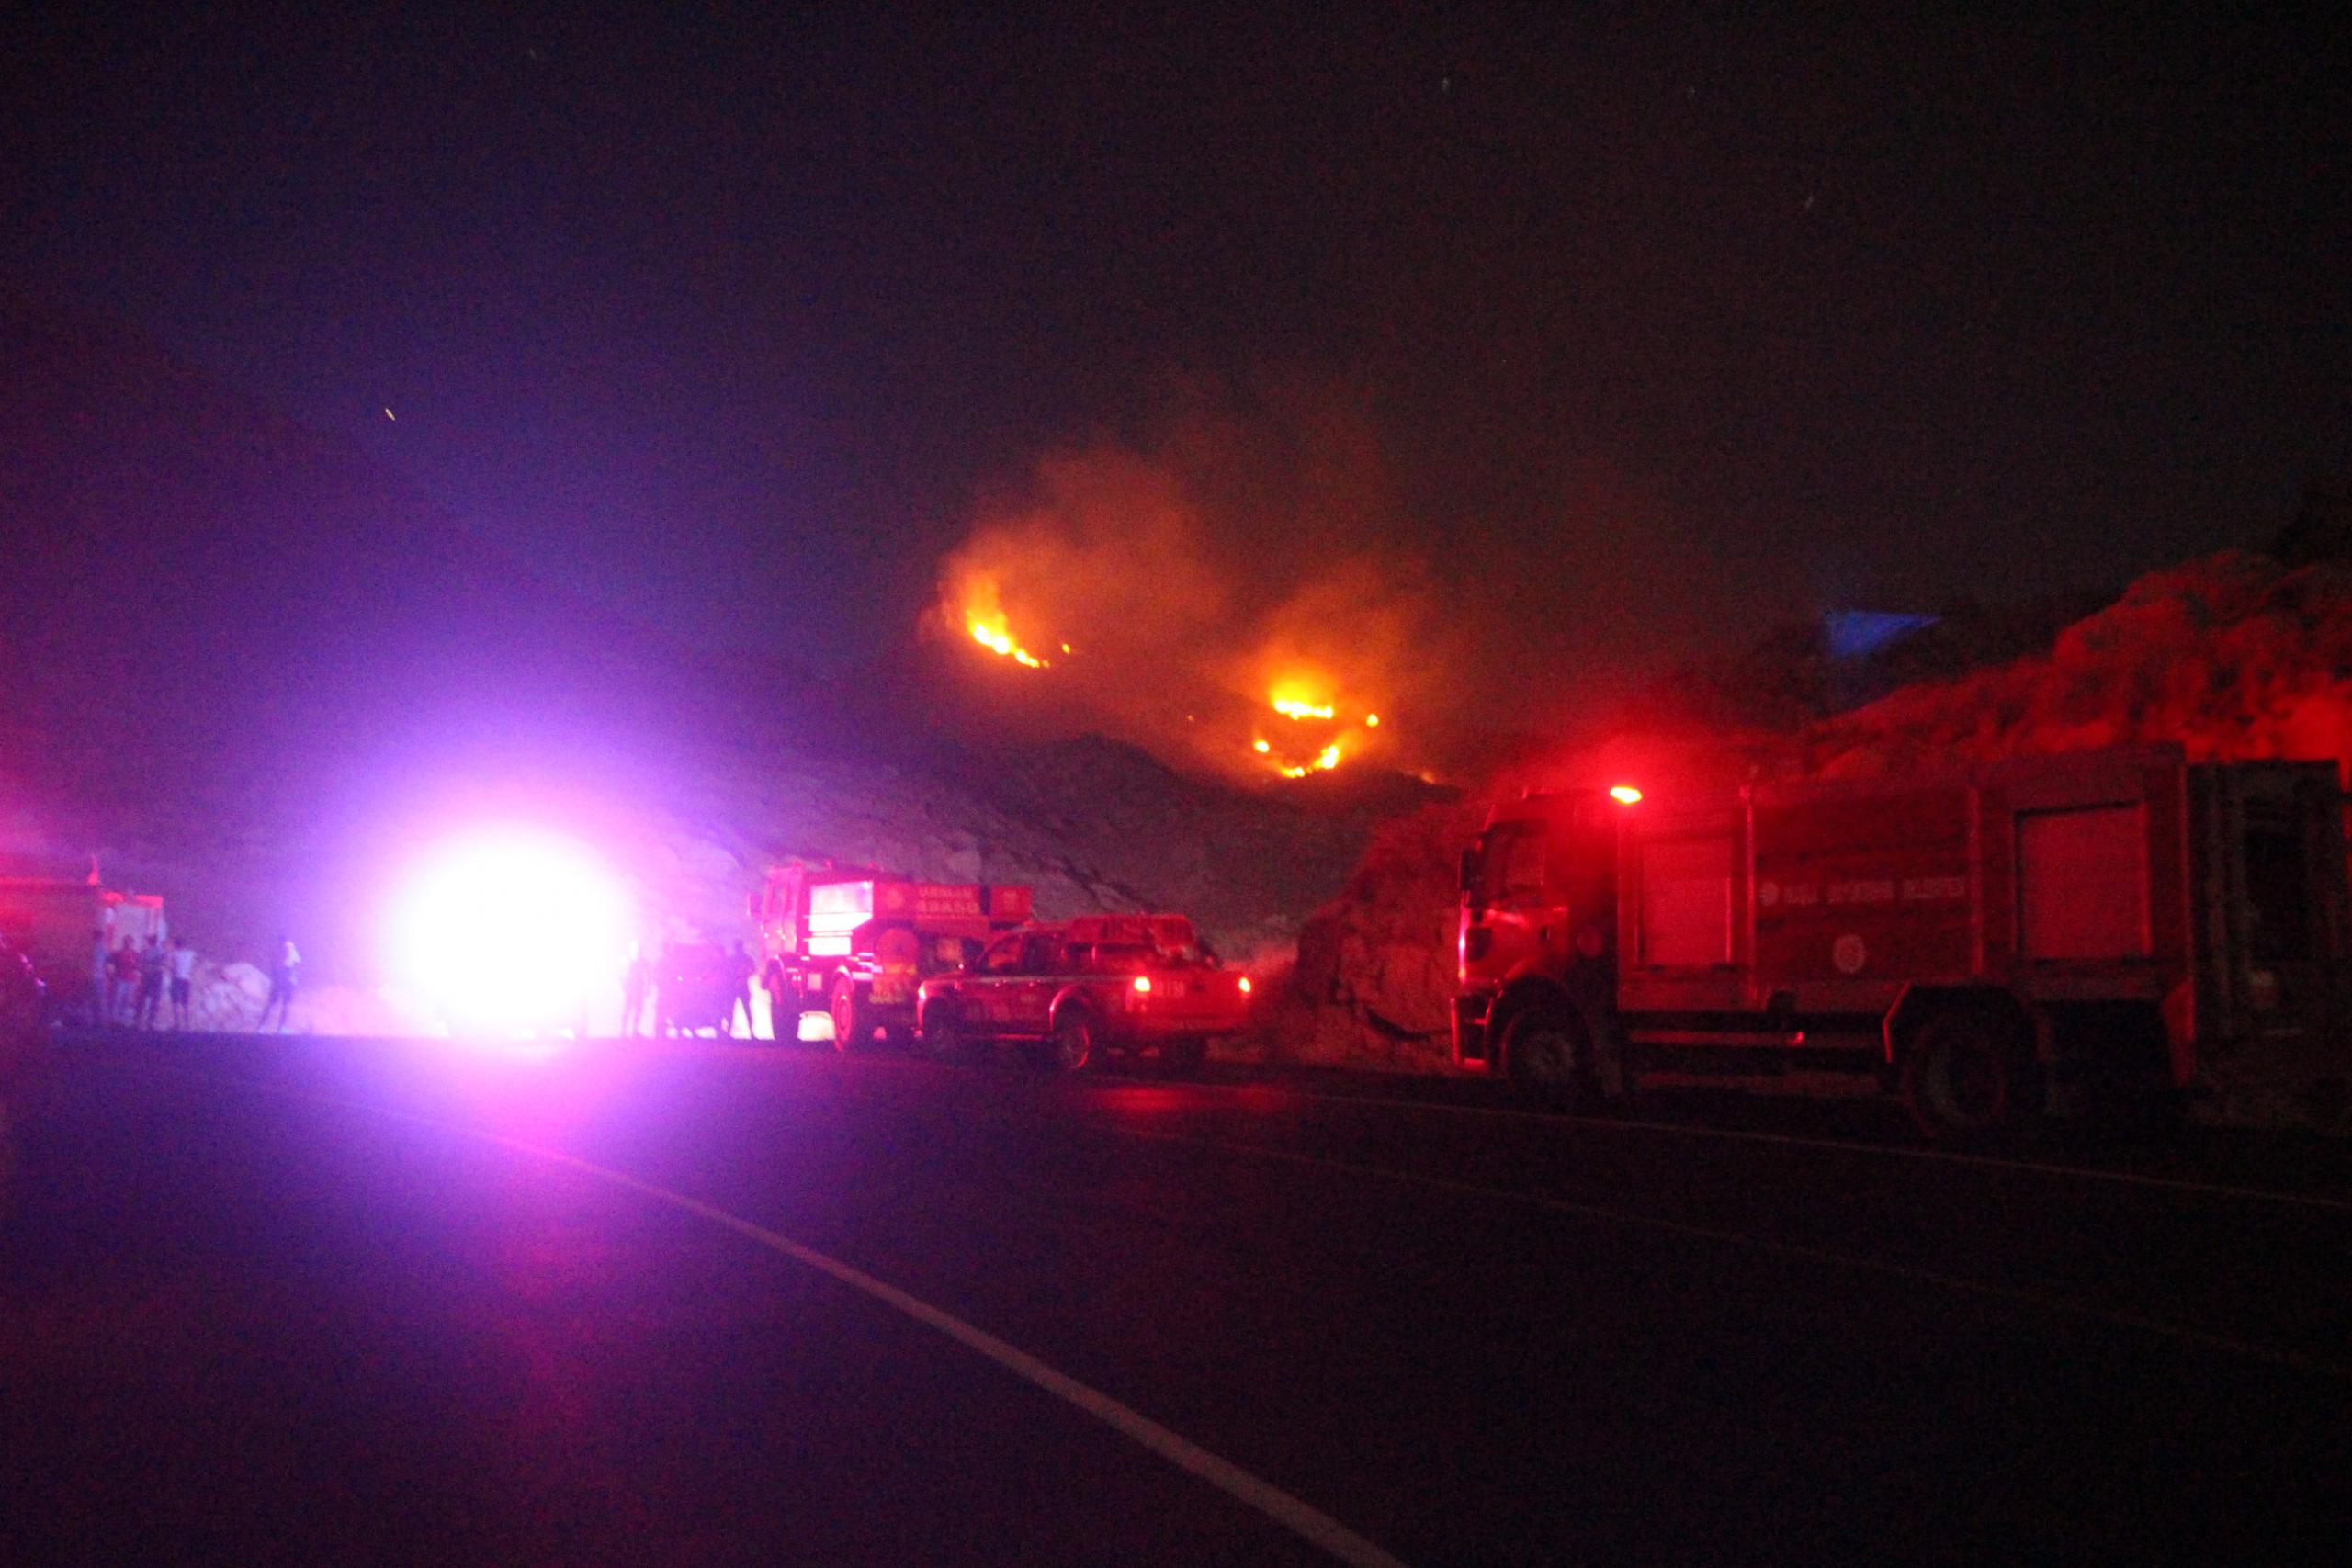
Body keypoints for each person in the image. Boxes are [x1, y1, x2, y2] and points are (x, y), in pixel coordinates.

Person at [257, 935, 300, 1032]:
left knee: (271, 1004)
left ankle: (261, 1028)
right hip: (286, 979)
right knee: (285, 1005)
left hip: (277, 980)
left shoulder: (275, 950)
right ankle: (281, 1029)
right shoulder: (290, 949)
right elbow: (297, 963)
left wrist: (275, 977)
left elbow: (272, 965)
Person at [134, 935, 166, 1030]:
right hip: (155, 976)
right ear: (156, 941)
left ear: (149, 941)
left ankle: (138, 1019)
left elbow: (139, 964)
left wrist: (142, 970)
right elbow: (162, 964)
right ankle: (150, 1021)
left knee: (142, 998)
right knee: (154, 999)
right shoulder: (160, 951)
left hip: (147, 976)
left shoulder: (145, 951)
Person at [728, 940, 757, 1038]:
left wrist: (741, 977)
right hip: (740, 986)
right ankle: (751, 1032)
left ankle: (729, 1032)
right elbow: (753, 970)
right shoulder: (746, 958)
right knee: (745, 1009)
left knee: (732, 1009)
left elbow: (752, 970)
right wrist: (744, 976)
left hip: (735, 987)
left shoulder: (732, 959)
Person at [621, 946, 652, 1039]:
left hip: (637, 988)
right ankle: (624, 1030)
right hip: (631, 987)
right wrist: (623, 984)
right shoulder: (629, 961)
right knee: (628, 1009)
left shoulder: (643, 962)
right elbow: (621, 973)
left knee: (636, 1009)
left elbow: (648, 975)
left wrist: (648, 987)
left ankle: (633, 1029)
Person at [108, 937, 139, 1027]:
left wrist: (136, 975)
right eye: (126, 942)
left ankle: (121, 1019)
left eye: (130, 942)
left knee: (126, 1000)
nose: (128, 944)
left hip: (130, 980)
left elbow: (137, 967)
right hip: (120, 979)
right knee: (116, 998)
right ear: (124, 943)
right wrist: (110, 976)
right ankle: (113, 1019)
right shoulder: (118, 953)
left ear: (132, 943)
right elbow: (111, 964)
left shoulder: (135, 954)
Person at [169, 936, 198, 1030]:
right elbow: (196, 961)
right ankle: (186, 1024)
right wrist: (191, 971)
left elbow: (170, 965)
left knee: (175, 1002)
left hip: (177, 979)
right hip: (186, 979)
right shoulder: (190, 953)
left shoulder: (174, 954)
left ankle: (177, 1023)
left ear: (176, 945)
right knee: (185, 1003)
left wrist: (172, 970)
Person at [88, 928, 111, 1030]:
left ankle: (90, 1021)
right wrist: (108, 976)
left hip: (89, 975)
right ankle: (101, 1022)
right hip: (99, 977)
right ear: (101, 937)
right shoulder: (103, 947)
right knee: (100, 999)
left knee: (89, 999)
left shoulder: (89, 947)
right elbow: (107, 962)